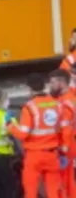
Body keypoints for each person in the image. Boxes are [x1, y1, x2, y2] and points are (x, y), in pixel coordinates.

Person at [8, 73, 65, 198]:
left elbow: (22, 134)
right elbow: (62, 129)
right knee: (53, 191)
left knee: (31, 191)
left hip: (34, 155)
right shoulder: (57, 104)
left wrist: (10, 126)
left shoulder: (30, 107)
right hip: (52, 154)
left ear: (29, 88)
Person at [51, 69, 76, 197]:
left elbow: (66, 128)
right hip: (70, 143)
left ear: (62, 83)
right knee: (69, 178)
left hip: (65, 145)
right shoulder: (70, 96)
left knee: (62, 179)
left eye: (53, 82)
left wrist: (63, 148)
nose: (51, 85)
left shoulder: (65, 103)